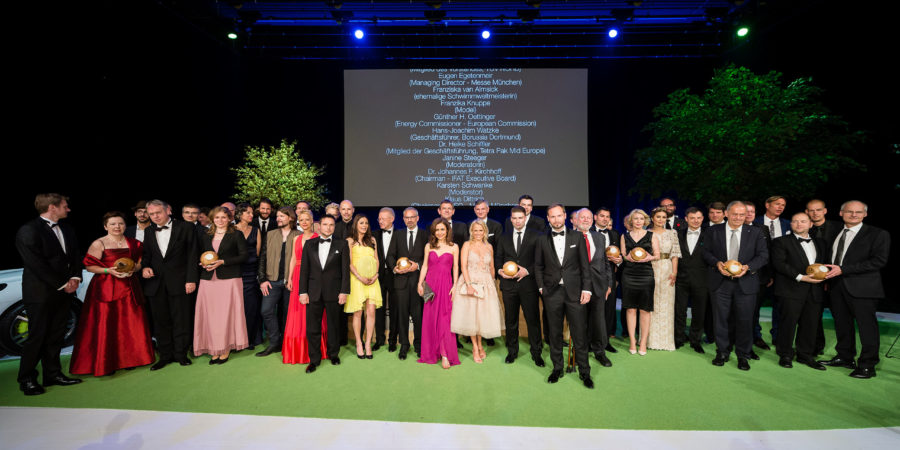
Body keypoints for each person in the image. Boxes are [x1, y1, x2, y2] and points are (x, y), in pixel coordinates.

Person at [15, 194, 84, 395]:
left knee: (56, 335)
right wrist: (63, 284)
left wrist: (76, 278)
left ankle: (53, 374)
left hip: (64, 292)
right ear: (52, 207)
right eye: (65, 206)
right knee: (37, 336)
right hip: (40, 293)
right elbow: (36, 264)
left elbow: (75, 256)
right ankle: (26, 379)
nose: (68, 209)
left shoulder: (68, 229)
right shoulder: (28, 230)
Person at [70, 211, 154, 376]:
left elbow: (139, 263)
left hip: (129, 287)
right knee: (107, 324)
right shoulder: (99, 243)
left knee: (129, 325)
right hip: (105, 288)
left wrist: (134, 269)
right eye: (113, 224)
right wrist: (108, 270)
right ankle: (106, 362)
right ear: (105, 226)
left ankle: (130, 359)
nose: (117, 227)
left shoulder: (134, 243)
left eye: (121, 223)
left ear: (125, 225)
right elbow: (89, 266)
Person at [820, 201, 890, 379]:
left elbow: (878, 261)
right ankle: (845, 357)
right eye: (849, 211)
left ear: (865, 214)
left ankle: (867, 365)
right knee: (842, 324)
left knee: (867, 328)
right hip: (836, 287)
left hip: (863, 288)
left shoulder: (878, 234)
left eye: (858, 212)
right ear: (841, 213)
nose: (853, 215)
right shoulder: (835, 232)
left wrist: (844, 270)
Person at [703, 201, 768, 371]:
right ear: (726, 213)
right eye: (735, 214)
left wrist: (747, 267)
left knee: (745, 321)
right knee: (720, 320)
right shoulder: (713, 231)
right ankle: (722, 352)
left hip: (746, 283)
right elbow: (705, 252)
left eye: (742, 214)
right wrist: (717, 263)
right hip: (720, 283)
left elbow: (763, 256)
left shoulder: (756, 232)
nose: (739, 218)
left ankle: (743, 355)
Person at [534, 204, 593, 388]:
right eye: (552, 216)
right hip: (552, 293)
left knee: (579, 333)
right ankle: (557, 368)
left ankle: (585, 372)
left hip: (575, 292)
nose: (556, 219)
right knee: (554, 333)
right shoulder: (541, 239)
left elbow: (585, 266)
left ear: (565, 216)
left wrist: (587, 289)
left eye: (559, 215)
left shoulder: (577, 236)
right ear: (548, 218)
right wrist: (541, 287)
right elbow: (538, 266)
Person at [141, 199, 199, 371]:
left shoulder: (186, 227)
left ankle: (181, 354)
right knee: (161, 321)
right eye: (151, 214)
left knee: (181, 319)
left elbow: (193, 254)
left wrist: (191, 279)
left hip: (180, 282)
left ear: (168, 211)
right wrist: (145, 267)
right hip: (156, 283)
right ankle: (165, 356)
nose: (155, 216)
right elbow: (147, 255)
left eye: (158, 212)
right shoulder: (149, 231)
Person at [770, 212, 827, 370]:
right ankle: (785, 354)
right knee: (787, 323)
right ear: (791, 224)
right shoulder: (780, 242)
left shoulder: (821, 243)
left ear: (810, 224)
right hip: (790, 289)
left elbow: (824, 264)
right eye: (795, 221)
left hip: (815, 290)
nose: (799, 224)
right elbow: (779, 264)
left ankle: (805, 355)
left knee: (810, 324)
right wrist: (801, 277)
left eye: (803, 221)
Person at [193, 207, 249, 364]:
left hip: (229, 280)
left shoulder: (236, 234)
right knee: (210, 316)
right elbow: (201, 255)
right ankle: (214, 348)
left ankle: (225, 348)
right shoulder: (206, 235)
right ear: (212, 219)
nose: (220, 220)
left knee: (226, 315)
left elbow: (244, 255)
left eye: (224, 217)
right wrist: (202, 263)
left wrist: (223, 262)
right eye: (217, 217)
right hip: (208, 280)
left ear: (229, 218)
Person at [297, 215, 351, 374]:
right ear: (319, 226)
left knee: (334, 326)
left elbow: (345, 270)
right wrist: (303, 291)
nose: (328, 227)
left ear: (334, 227)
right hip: (313, 292)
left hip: (334, 291)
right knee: (312, 328)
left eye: (331, 225)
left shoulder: (342, 244)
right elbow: (304, 270)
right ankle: (314, 360)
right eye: (325, 224)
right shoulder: (309, 244)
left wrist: (344, 291)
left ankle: (333, 355)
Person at [495, 206, 544, 366]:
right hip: (508, 286)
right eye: (514, 218)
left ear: (525, 218)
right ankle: (512, 351)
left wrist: (527, 271)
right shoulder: (504, 237)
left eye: (520, 218)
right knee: (511, 320)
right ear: (511, 219)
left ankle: (536, 353)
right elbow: (498, 258)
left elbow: (541, 260)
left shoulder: (537, 236)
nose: (517, 221)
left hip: (529, 285)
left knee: (533, 320)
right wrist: (500, 271)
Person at [451, 220, 503, 363]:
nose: (478, 233)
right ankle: (475, 347)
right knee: (471, 316)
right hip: (470, 282)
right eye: (475, 230)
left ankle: (480, 345)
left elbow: (492, 267)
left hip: (486, 283)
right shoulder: (467, 245)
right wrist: (469, 285)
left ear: (485, 231)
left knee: (482, 317)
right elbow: (463, 266)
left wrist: (493, 283)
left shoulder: (489, 246)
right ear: (471, 232)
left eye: (480, 230)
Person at [255, 207, 300, 357]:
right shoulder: (270, 234)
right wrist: (262, 280)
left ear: (291, 218)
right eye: (278, 216)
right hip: (271, 281)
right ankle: (274, 342)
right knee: (266, 310)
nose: (278, 219)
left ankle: (286, 343)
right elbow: (262, 258)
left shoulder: (299, 236)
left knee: (288, 315)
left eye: (282, 216)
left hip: (291, 282)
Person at [283, 210, 326, 364]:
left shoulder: (318, 238)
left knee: (313, 310)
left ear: (312, 221)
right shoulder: (296, 238)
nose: (304, 222)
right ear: (298, 222)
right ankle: (298, 350)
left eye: (307, 219)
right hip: (297, 276)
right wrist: (289, 278)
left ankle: (315, 348)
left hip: (313, 277)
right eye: (301, 220)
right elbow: (293, 259)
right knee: (297, 311)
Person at [416, 218, 461, 369]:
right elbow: (425, 266)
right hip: (430, 285)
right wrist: (420, 283)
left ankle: (445, 354)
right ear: (433, 232)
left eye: (442, 229)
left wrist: (455, 285)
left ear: (447, 230)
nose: (440, 232)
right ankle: (431, 352)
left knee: (444, 320)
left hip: (446, 285)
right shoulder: (428, 246)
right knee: (430, 318)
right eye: (437, 230)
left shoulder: (454, 246)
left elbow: (456, 267)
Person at [386, 207, 428, 360]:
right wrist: (395, 269)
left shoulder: (425, 235)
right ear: (403, 219)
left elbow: (429, 257)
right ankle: (404, 345)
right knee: (402, 316)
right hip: (401, 282)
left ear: (417, 218)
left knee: (418, 316)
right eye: (406, 217)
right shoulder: (398, 235)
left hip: (418, 282)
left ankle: (419, 345)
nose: (409, 220)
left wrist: (418, 265)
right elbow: (390, 255)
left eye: (412, 217)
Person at [574, 208, 613, 367]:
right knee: (579, 322)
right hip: (577, 286)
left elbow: (605, 262)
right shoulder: (570, 237)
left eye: (588, 218)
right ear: (576, 220)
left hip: (598, 285)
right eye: (582, 217)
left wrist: (608, 283)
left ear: (593, 220)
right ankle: (580, 354)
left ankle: (599, 352)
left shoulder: (599, 237)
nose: (586, 220)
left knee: (598, 321)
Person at [620, 209, 660, 356]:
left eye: (641, 219)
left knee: (645, 309)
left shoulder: (652, 235)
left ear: (645, 221)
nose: (638, 221)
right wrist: (627, 257)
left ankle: (643, 342)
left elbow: (657, 255)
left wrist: (649, 257)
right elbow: (623, 255)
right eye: (636, 219)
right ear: (631, 221)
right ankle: (632, 341)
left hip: (646, 275)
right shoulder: (624, 236)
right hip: (629, 274)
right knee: (630, 309)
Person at [674, 207, 713, 353]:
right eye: (692, 218)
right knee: (679, 311)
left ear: (703, 219)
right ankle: (678, 338)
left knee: (699, 312)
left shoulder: (710, 235)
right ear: (686, 219)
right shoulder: (677, 234)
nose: (696, 221)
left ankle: (695, 340)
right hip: (681, 279)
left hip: (702, 279)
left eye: (698, 218)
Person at [804, 198, 840, 355]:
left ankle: (844, 353)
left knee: (840, 316)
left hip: (836, 278)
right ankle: (815, 347)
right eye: (811, 210)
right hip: (813, 279)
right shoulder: (804, 229)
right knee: (813, 315)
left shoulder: (839, 228)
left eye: (818, 210)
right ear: (806, 212)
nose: (815, 213)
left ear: (825, 211)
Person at [345, 214, 383, 359]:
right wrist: (359, 276)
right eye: (361, 223)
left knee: (371, 311)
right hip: (357, 280)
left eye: (366, 223)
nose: (364, 225)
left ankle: (368, 344)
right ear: (356, 224)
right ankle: (359, 343)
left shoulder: (372, 240)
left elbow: (377, 259)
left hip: (372, 281)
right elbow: (349, 263)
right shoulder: (350, 241)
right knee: (358, 313)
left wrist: (376, 275)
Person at [646, 207, 681, 351]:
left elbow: (675, 254)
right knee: (650, 304)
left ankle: (666, 341)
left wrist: (674, 272)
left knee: (667, 304)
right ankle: (649, 340)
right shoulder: (646, 233)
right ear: (652, 218)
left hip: (667, 269)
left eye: (663, 217)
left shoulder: (672, 233)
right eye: (658, 217)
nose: (661, 220)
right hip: (650, 269)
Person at [234, 203, 263, 348]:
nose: (252, 215)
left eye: (252, 213)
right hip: (234, 273)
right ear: (240, 214)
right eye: (248, 213)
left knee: (251, 307)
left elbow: (258, 253)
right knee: (236, 308)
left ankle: (251, 339)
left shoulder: (256, 230)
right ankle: (236, 339)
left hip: (251, 274)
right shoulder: (231, 230)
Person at [594, 207, 622, 351]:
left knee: (609, 310)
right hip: (592, 277)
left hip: (610, 277)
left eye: (607, 216)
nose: (605, 219)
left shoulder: (614, 234)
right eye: (602, 216)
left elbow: (620, 256)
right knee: (592, 310)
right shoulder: (587, 232)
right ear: (595, 217)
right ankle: (591, 341)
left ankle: (605, 342)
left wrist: (619, 260)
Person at [373, 207, 395, 351]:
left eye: (383, 218)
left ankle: (392, 340)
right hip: (378, 275)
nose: (380, 221)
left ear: (392, 219)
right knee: (378, 308)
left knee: (394, 308)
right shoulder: (374, 235)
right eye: (379, 219)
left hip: (395, 276)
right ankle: (379, 339)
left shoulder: (399, 234)